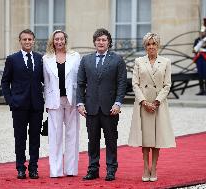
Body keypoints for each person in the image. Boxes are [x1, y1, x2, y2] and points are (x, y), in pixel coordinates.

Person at [77, 28, 127, 181]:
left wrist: (118, 103)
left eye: (104, 40)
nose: (101, 42)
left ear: (108, 42)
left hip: (110, 108)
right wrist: (80, 103)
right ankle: (93, 169)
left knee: (111, 140)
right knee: (93, 140)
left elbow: (122, 83)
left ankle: (111, 169)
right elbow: (80, 83)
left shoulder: (117, 60)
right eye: (98, 40)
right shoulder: (86, 60)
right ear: (94, 42)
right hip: (91, 108)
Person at [128, 32, 176, 182]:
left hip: (158, 104)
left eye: (154, 44)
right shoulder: (138, 61)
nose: (151, 47)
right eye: (148, 44)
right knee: (145, 137)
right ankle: (145, 166)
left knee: (156, 137)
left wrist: (156, 102)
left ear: (158, 45)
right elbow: (134, 84)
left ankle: (154, 167)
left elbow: (167, 85)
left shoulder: (166, 62)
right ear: (145, 46)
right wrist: (143, 101)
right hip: (143, 104)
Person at [1, 29, 44, 179]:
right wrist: (10, 101)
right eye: (24, 39)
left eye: (30, 39)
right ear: (20, 41)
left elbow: (47, 80)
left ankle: (33, 168)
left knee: (35, 138)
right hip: (19, 105)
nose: (27, 42)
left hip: (36, 106)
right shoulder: (12, 59)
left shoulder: (40, 59)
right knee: (20, 138)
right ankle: (20, 168)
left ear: (34, 41)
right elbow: (5, 81)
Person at [42, 30, 81, 178]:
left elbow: (79, 79)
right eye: (56, 39)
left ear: (66, 40)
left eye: (62, 39)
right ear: (52, 41)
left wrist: (80, 101)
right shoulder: (46, 58)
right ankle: (56, 171)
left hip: (72, 100)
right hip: (54, 101)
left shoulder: (75, 56)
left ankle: (71, 170)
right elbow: (46, 83)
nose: (59, 41)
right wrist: (47, 102)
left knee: (72, 135)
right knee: (55, 136)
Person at [193, 25, 206, 95]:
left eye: (203, 32)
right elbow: (194, 50)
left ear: (205, 32)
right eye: (201, 32)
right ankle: (201, 90)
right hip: (199, 58)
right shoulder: (197, 40)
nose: (202, 33)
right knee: (200, 75)